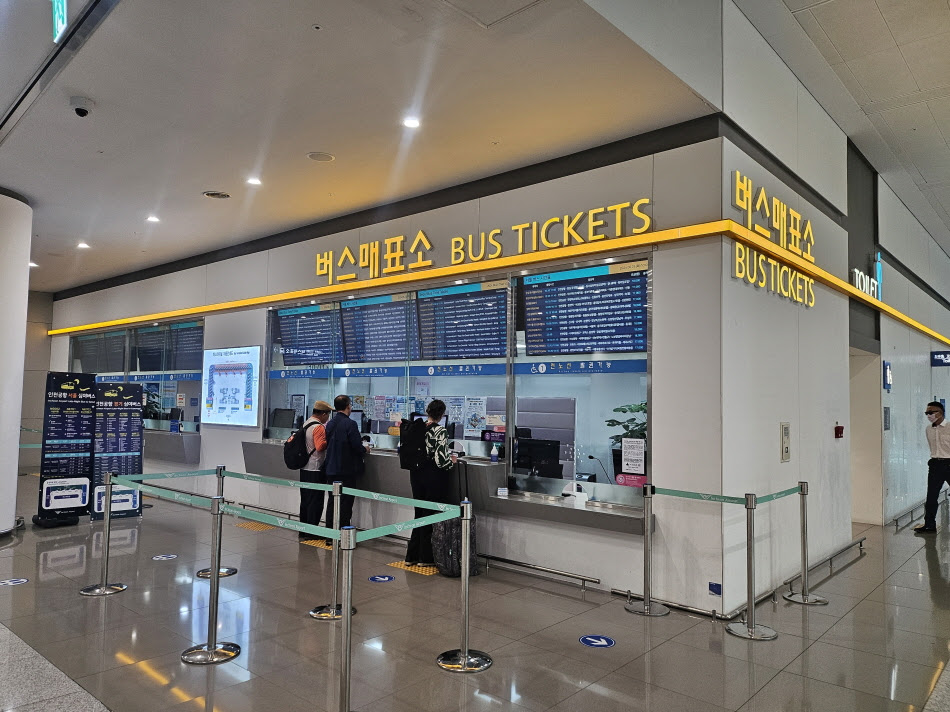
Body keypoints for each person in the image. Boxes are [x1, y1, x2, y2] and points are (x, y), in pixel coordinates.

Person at [405, 399, 457, 565]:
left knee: (419, 513)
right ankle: (425, 558)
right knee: (429, 514)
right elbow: (441, 460)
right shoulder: (439, 430)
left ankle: (411, 556)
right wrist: (451, 462)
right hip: (432, 476)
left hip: (416, 475)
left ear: (428, 412)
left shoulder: (417, 427)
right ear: (441, 415)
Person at [323, 394, 370, 529]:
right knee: (345, 503)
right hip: (346, 470)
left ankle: (330, 534)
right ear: (348, 406)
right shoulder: (350, 423)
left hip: (331, 468)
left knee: (332, 501)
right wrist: (365, 449)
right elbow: (356, 446)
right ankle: (343, 533)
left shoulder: (330, 423)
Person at [297, 400, 332, 541]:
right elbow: (319, 447)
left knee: (305, 500)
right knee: (315, 501)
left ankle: (303, 529)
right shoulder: (318, 427)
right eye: (328, 414)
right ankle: (312, 531)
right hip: (315, 469)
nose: (328, 418)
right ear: (323, 414)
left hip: (305, 467)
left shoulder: (306, 423)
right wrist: (329, 439)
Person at [915, 401, 950, 534]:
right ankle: (930, 525)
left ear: (940, 412)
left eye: (931, 412)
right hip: (935, 465)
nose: (929, 415)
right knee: (931, 497)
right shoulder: (928, 429)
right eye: (927, 413)